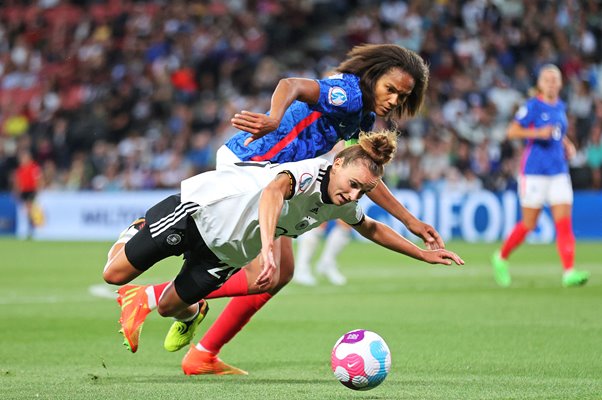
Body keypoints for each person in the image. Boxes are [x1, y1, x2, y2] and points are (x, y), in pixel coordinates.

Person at [111, 44, 446, 374]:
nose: (394, 100)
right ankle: (156, 297)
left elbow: (361, 173)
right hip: (255, 166)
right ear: (373, 77)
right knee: (262, 274)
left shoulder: (364, 113)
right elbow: (292, 85)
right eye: (391, 90)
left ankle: (201, 348)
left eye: (401, 98)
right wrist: (273, 118)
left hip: (278, 175)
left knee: (280, 274)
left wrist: (411, 222)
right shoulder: (349, 93)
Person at [103, 131, 463, 373]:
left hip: (224, 256)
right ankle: (137, 229)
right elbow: (274, 191)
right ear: (337, 164)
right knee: (114, 275)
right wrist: (267, 250)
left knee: (169, 307)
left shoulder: (341, 201)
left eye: (362, 192)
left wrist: (422, 253)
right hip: (199, 213)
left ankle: (193, 312)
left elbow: (370, 227)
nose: (354, 195)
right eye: (353, 185)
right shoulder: (308, 174)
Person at [491, 64, 590, 288]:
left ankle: (569, 272)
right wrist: (537, 133)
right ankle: (501, 257)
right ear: (540, 84)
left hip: (558, 171)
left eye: (555, 79)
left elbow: (557, 133)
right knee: (528, 224)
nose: (551, 83)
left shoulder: (560, 107)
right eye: (547, 79)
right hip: (534, 172)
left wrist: (568, 144)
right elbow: (512, 131)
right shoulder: (533, 106)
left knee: (564, 224)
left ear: (560, 83)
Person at [13, 150, 43, 239]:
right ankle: (30, 227)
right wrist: (17, 191)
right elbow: (18, 181)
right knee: (27, 211)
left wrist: (38, 189)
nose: (22, 160)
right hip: (24, 191)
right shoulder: (20, 169)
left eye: (24, 158)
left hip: (32, 190)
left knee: (29, 208)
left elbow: (38, 179)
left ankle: (31, 228)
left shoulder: (34, 167)